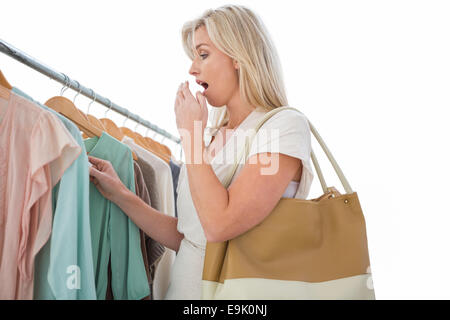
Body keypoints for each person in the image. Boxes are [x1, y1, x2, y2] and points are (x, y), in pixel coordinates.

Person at [88, 4, 314, 300]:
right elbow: (191, 239)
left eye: (203, 54)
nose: (192, 69)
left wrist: (190, 136)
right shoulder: (213, 137)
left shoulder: (281, 127)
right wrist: (120, 193)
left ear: (238, 56)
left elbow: (220, 225)